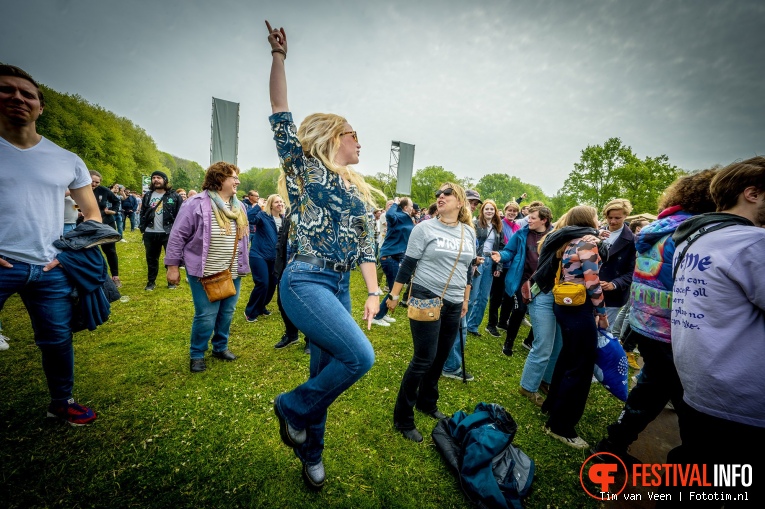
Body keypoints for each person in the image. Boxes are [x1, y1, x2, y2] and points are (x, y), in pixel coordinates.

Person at [265, 21, 382, 491]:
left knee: (324, 373)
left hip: (339, 285)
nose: (360, 142)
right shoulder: (305, 168)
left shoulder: (360, 191)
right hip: (305, 281)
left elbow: (368, 247)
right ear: (334, 136)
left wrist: (374, 292)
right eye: (354, 134)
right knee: (359, 357)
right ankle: (289, 407)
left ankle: (311, 452)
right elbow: (279, 111)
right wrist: (279, 58)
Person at [590, 169, 718, 465]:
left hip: (648, 323)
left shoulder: (659, 229)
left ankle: (611, 446)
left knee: (651, 389)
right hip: (678, 330)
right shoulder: (697, 233)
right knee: (692, 409)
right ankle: (684, 474)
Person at [0, 64, 100, 425]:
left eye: (27, 94)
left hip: (48, 266)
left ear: (40, 106)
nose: (17, 98)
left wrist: (67, 253)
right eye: (6, 90)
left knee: (57, 340)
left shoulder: (66, 159)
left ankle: (62, 401)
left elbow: (92, 215)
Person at [667, 158, 765, 502]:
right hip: (742, 400)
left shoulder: (693, 239)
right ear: (751, 193)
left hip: (699, 383)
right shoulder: (752, 243)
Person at [388, 183, 476, 442]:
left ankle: (427, 402)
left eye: (447, 194)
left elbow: (469, 268)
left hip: (455, 300)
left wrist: (465, 299)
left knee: (440, 357)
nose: (441, 197)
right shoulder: (423, 228)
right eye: (439, 194)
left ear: (459, 202)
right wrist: (394, 294)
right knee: (424, 358)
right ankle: (403, 418)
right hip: (427, 295)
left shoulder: (468, 232)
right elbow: (407, 264)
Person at [165, 162, 250, 373]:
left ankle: (220, 347)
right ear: (220, 179)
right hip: (205, 271)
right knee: (206, 315)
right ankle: (197, 353)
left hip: (232, 271)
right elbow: (178, 236)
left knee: (227, 312)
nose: (237, 181)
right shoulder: (195, 203)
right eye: (233, 178)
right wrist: (172, 266)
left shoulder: (239, 206)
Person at [535, 205, 607, 449]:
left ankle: (552, 406)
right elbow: (593, 284)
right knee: (580, 367)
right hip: (579, 308)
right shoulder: (587, 244)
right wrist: (602, 313)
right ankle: (561, 426)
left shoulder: (568, 242)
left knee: (567, 358)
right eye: (597, 217)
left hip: (564, 304)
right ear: (589, 219)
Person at [440, 189, 482, 381]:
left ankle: (446, 363)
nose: (473, 206)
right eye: (471, 202)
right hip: (445, 288)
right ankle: (449, 365)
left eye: (476, 204)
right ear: (460, 203)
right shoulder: (447, 226)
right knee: (457, 328)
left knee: (456, 327)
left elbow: (468, 265)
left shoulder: (469, 230)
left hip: (459, 288)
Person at [371, 197, 414, 327]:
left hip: (395, 257)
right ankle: (377, 316)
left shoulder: (405, 218)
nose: (413, 209)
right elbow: (389, 214)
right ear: (405, 207)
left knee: (394, 288)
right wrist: (395, 203)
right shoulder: (397, 216)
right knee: (394, 289)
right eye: (411, 206)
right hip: (388, 257)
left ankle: (382, 313)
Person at [244, 193, 286, 322]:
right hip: (259, 255)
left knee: (272, 284)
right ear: (270, 205)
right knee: (263, 283)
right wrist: (258, 207)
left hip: (275, 257)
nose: (280, 204)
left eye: (281, 202)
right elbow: (249, 218)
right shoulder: (263, 216)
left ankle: (261, 306)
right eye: (276, 202)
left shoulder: (284, 219)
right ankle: (250, 311)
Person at [139, 170, 182, 291]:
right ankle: (151, 282)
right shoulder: (148, 195)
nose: (156, 180)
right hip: (150, 232)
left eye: (159, 178)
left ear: (165, 180)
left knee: (171, 258)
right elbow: (143, 212)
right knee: (151, 258)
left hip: (168, 232)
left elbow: (181, 214)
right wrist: (142, 227)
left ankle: (171, 281)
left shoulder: (175, 196)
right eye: (153, 178)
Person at [597, 199, 636, 330]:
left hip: (612, 296)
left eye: (617, 218)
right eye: (609, 217)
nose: (612, 221)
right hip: (590, 290)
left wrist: (614, 284)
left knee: (603, 332)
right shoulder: (595, 233)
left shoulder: (632, 240)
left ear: (626, 216)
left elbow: (633, 271)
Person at [465, 199, 502, 336]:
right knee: (472, 296)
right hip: (478, 260)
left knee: (484, 298)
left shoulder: (497, 226)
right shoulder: (475, 224)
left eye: (492, 209)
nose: (489, 211)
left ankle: (473, 326)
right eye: (487, 209)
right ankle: (463, 323)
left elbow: (499, 248)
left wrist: (498, 265)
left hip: (490, 262)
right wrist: (473, 261)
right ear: (482, 210)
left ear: (495, 211)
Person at [486, 201, 522, 336]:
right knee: (496, 295)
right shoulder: (500, 225)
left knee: (509, 295)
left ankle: (503, 321)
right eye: (510, 210)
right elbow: (499, 246)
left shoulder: (518, 227)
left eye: (514, 211)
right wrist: (498, 266)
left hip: (513, 267)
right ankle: (491, 324)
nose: (512, 213)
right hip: (501, 264)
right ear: (505, 210)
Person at [90, 171, 122, 288]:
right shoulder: (80, 190)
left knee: (110, 250)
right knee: (90, 251)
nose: (93, 184)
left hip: (106, 223)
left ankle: (115, 277)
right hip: (88, 224)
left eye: (97, 182)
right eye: (91, 181)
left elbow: (116, 201)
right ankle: (95, 277)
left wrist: (113, 210)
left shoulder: (103, 190)